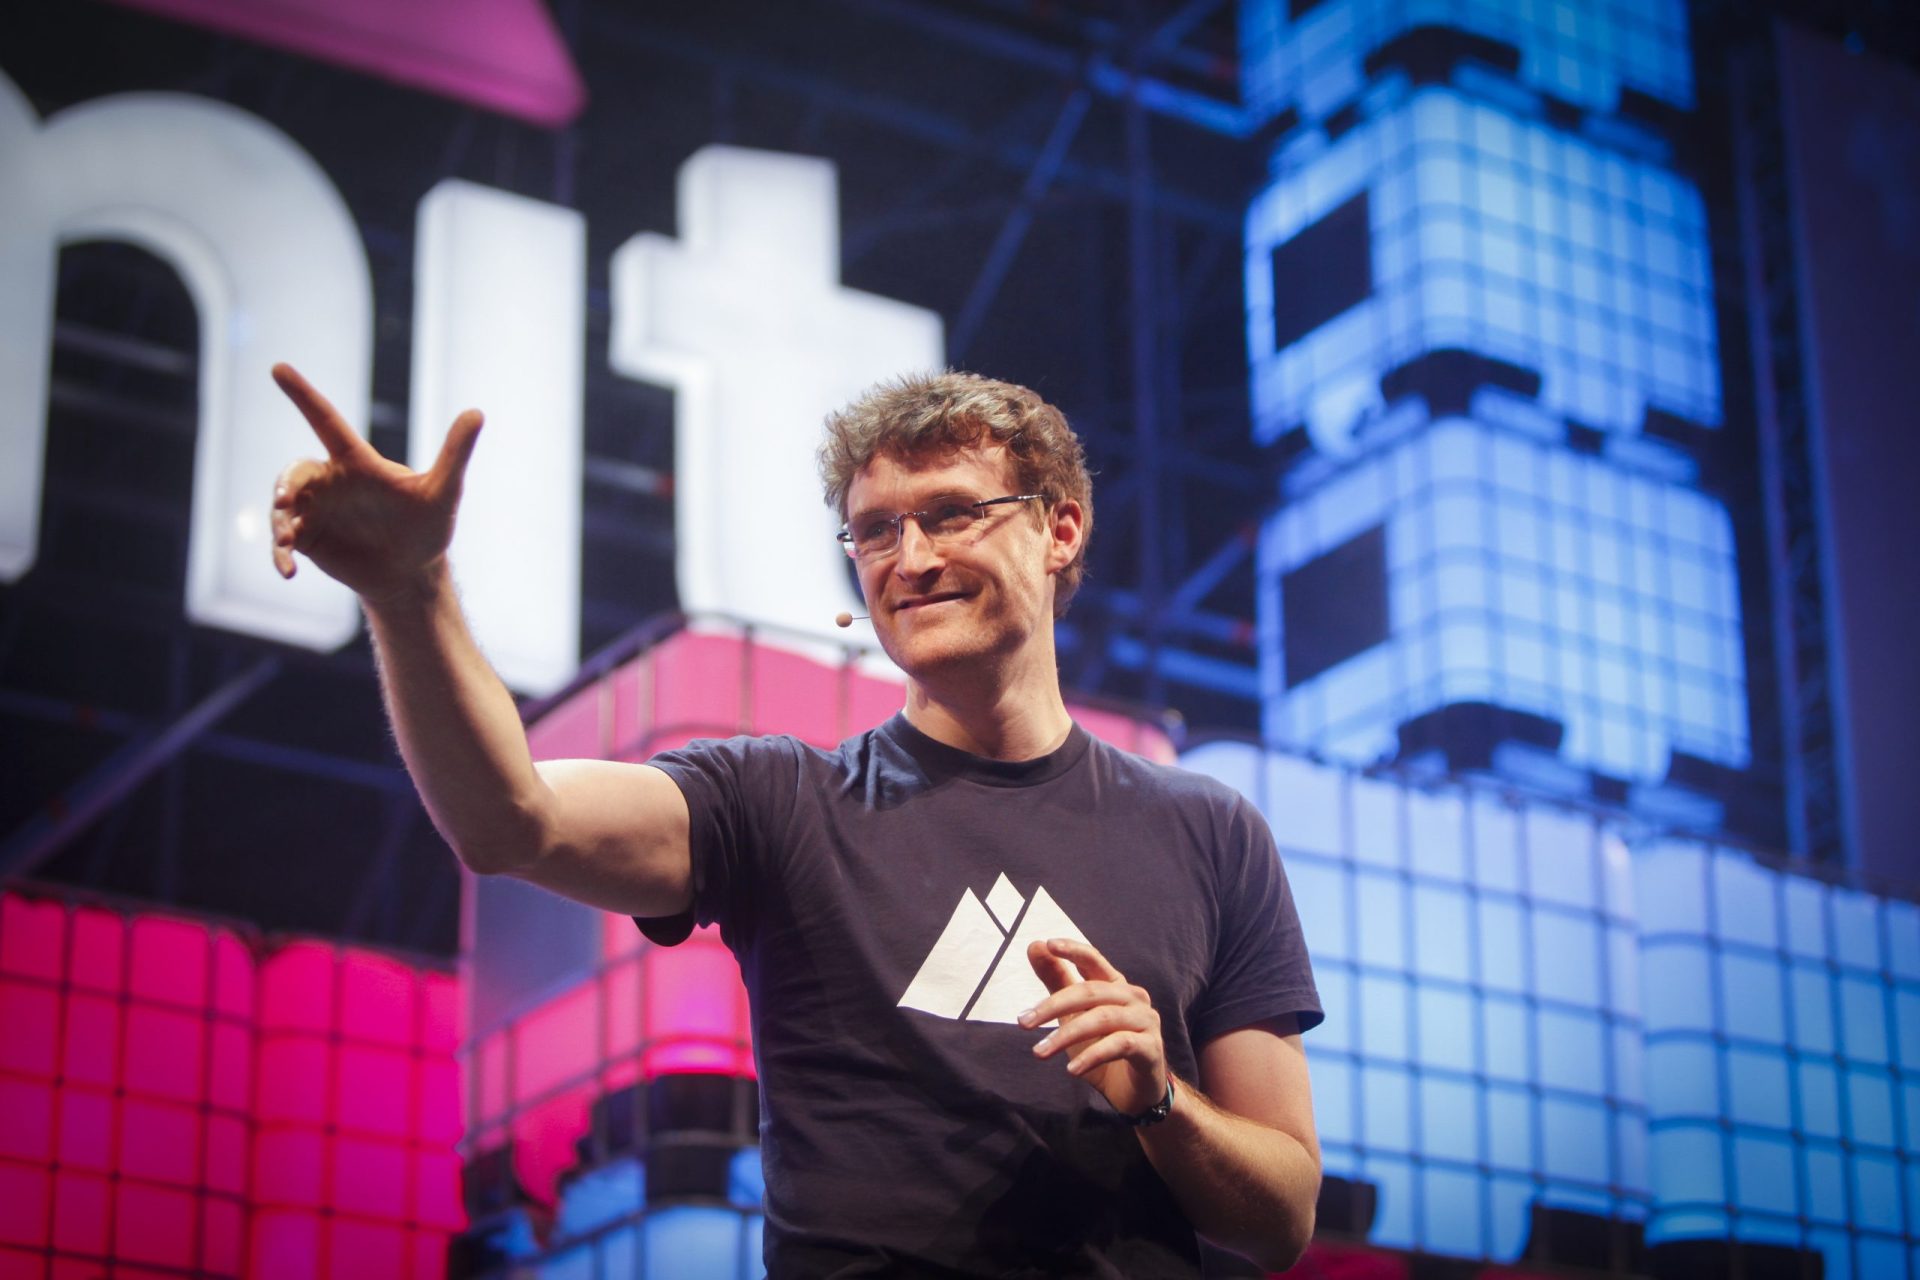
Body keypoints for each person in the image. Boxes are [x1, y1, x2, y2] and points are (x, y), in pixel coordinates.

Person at [269, 363, 1323, 1276]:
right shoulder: (778, 801)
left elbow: (1280, 1219)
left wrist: (1158, 1099)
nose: (908, 559)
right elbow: (512, 819)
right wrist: (410, 590)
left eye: (952, 512)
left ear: (1060, 528)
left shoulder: (1210, 831)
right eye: (874, 529)